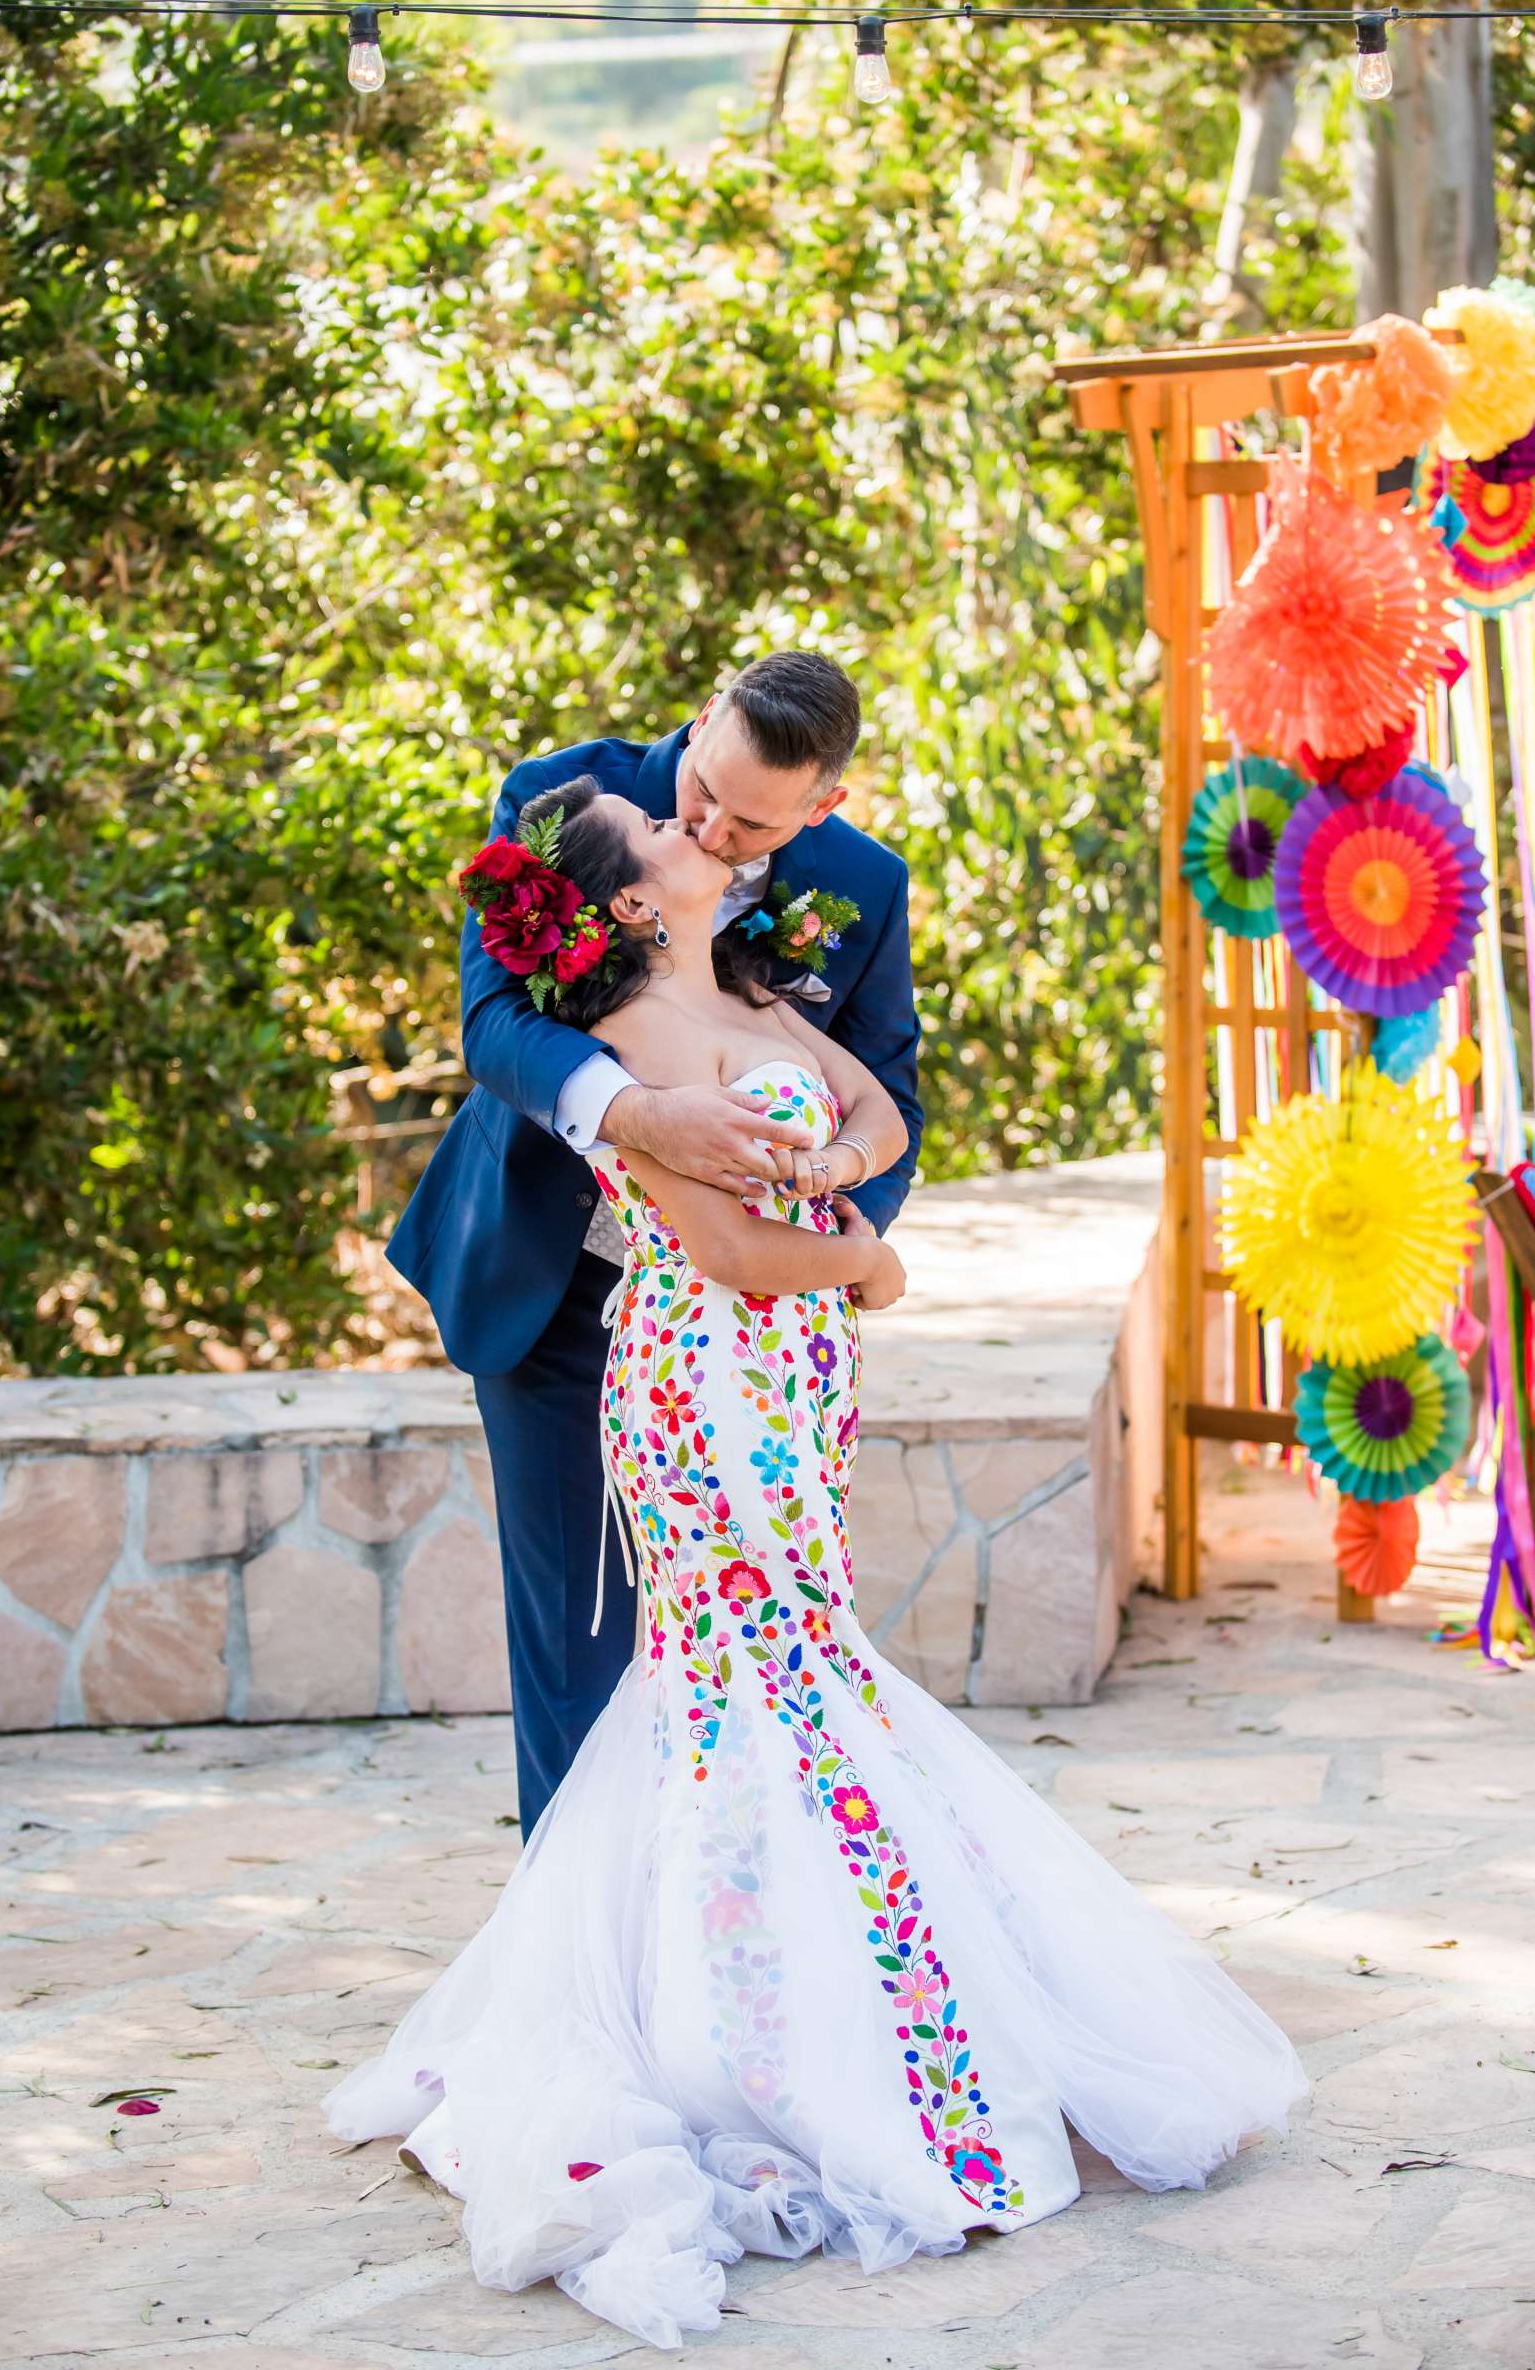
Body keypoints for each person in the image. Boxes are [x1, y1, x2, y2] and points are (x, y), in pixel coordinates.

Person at [328, 777, 1306, 2351]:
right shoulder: (628, 1047)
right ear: (633, 903)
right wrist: (862, 1253)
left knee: (798, 1661)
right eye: (659, 835)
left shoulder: (752, 989)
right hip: (705, 1375)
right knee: (747, 1676)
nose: (688, 830)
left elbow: (878, 1109)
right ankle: (757, 2029)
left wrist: (835, 1174)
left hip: (791, 1379)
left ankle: (852, 1989)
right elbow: (716, 1247)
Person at [387, 653, 921, 1838]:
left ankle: (750, 1929)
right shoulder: (567, 802)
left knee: (773, 1632)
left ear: (822, 806)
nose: (710, 823)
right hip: (552, 1280)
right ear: (703, 715)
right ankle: (590, 1963)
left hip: (763, 1343)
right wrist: (635, 1115)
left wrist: (836, 1245)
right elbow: (493, 1026)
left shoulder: (863, 887)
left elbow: (891, 1092)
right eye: (702, 786)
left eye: (751, 820)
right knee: (581, 1631)